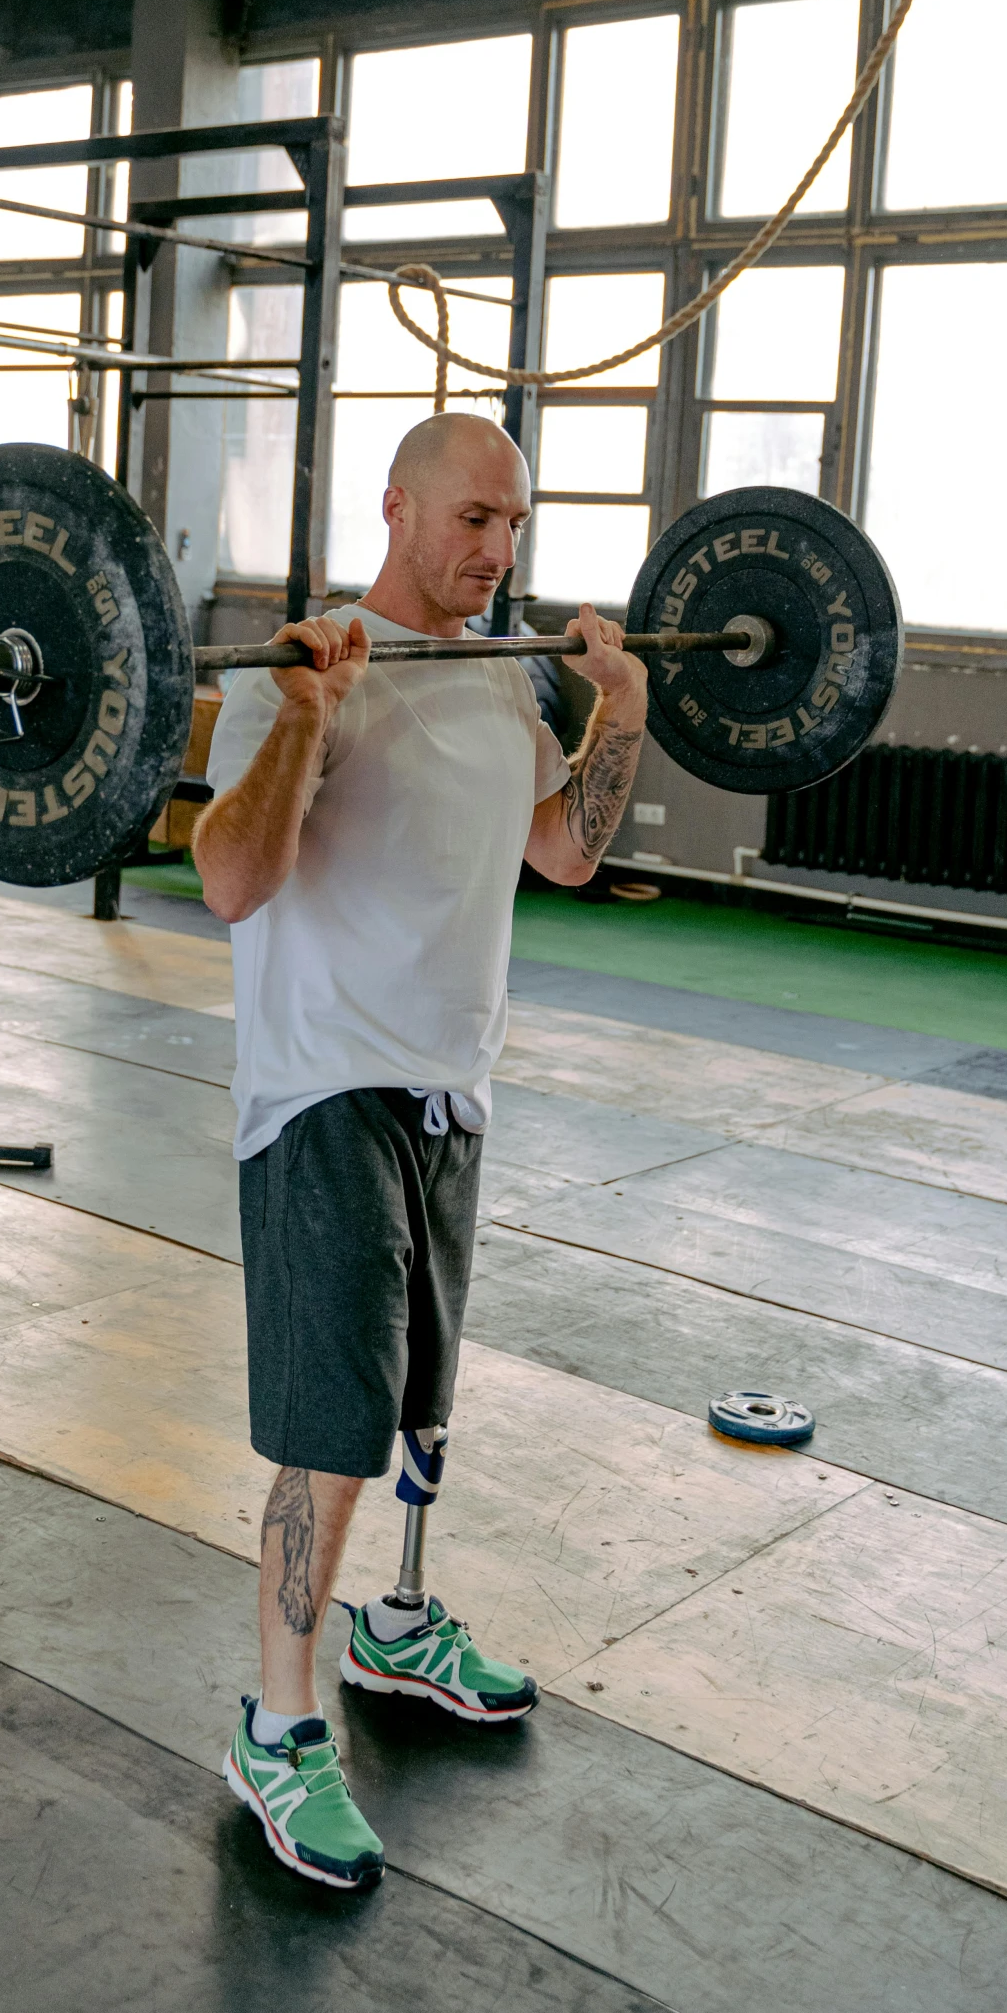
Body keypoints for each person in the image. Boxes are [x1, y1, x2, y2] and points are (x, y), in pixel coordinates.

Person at [194, 411, 648, 1890]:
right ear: (396, 508)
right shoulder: (303, 671)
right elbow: (230, 880)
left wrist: (617, 715)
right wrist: (315, 722)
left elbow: (563, 851)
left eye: (512, 524)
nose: (496, 550)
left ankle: (395, 1624)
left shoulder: (497, 676)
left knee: (417, 1415)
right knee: (325, 1439)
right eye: (470, 519)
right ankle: (276, 1722)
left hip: (449, 1095)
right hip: (325, 1093)